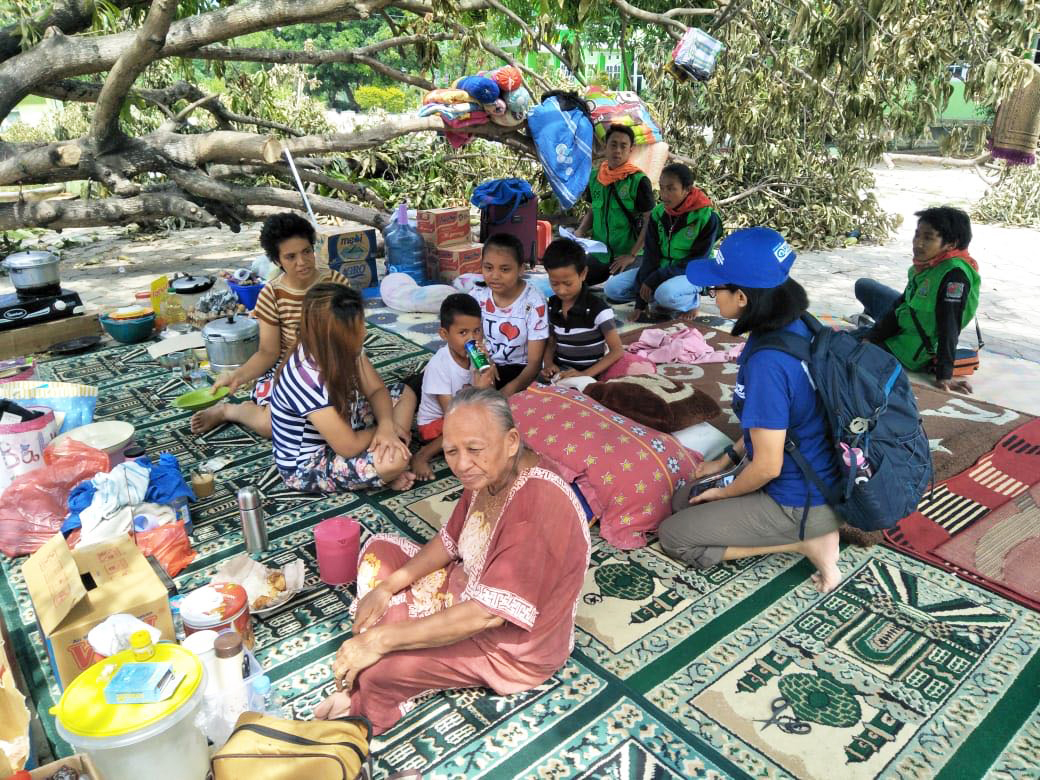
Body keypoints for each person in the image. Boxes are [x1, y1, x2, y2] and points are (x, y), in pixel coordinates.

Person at [313, 387, 591, 735]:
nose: (461, 464)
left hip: (506, 645)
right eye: (451, 451)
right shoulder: (488, 470)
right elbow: (450, 542)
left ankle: (373, 695)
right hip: (468, 587)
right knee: (379, 553)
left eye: (474, 449)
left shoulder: (534, 509)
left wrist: (378, 641)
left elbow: (486, 615)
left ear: (510, 441)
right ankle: (394, 622)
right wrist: (387, 587)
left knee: (378, 672)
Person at [657, 227, 843, 593]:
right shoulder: (795, 324)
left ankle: (806, 541)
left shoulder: (769, 363)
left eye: (716, 289)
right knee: (685, 499)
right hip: (814, 474)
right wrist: (725, 460)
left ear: (741, 296)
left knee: (674, 535)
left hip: (796, 498)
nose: (711, 296)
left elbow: (767, 466)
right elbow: (773, 421)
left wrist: (724, 493)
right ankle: (805, 528)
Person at [191, 212, 349, 437]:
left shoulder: (337, 283)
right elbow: (268, 352)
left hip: (333, 364)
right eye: (290, 256)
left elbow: (348, 336)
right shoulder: (272, 294)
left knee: (346, 417)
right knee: (271, 426)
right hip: (288, 369)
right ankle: (231, 410)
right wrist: (236, 376)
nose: (302, 262)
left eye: (306, 251)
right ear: (277, 261)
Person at [269, 283, 417, 493]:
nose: (364, 331)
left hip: (349, 426)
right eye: (358, 327)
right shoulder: (305, 377)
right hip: (311, 461)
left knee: (404, 394)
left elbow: (376, 390)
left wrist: (386, 426)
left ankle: (386, 458)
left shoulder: (347, 347)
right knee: (394, 461)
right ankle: (388, 466)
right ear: (336, 335)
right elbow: (347, 446)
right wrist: (387, 430)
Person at [854, 206, 980, 393]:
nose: (918, 243)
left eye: (928, 238)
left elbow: (949, 325)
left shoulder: (954, 276)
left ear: (951, 244)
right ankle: (870, 325)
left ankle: (868, 326)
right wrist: (872, 337)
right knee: (864, 285)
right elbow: (901, 305)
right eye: (917, 235)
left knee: (843, 346)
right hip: (908, 320)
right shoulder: (928, 266)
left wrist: (944, 374)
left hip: (912, 348)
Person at [603, 163, 720, 323]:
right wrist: (640, 303)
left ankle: (692, 299)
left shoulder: (707, 217)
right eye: (662, 188)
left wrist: (655, 279)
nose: (664, 195)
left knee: (664, 294)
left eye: (671, 189)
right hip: (662, 268)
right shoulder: (658, 213)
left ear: (687, 189)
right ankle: (658, 296)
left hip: (692, 273)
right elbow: (651, 256)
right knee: (612, 289)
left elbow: (697, 262)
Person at [410, 294, 494, 480]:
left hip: (466, 410)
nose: (472, 339)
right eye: (463, 333)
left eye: (477, 331)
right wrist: (479, 391)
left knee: (498, 414)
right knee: (471, 429)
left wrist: (488, 367)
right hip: (436, 425)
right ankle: (422, 455)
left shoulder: (476, 355)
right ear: (444, 334)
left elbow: (490, 395)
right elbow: (452, 415)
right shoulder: (439, 365)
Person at [572, 124, 655, 286]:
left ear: (631, 149)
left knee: (617, 290)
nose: (618, 150)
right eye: (613, 144)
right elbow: (592, 210)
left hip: (630, 254)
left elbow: (649, 220)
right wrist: (581, 230)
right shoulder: (595, 177)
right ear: (605, 146)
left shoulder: (638, 180)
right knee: (573, 279)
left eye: (623, 146)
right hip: (601, 254)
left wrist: (631, 255)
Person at [467, 233, 549, 395]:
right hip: (484, 362)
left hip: (518, 369)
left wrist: (505, 393)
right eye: (488, 268)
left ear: (521, 269)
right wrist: (484, 363)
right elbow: (471, 341)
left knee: (483, 396)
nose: (495, 276)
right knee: (439, 375)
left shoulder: (534, 303)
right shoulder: (477, 295)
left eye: (505, 269)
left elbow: (534, 363)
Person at [540, 237, 625, 380]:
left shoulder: (599, 310)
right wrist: (548, 364)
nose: (561, 290)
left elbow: (617, 351)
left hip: (591, 373)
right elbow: (551, 341)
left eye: (567, 283)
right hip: (561, 371)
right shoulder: (551, 306)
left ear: (583, 274)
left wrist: (585, 374)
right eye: (554, 283)